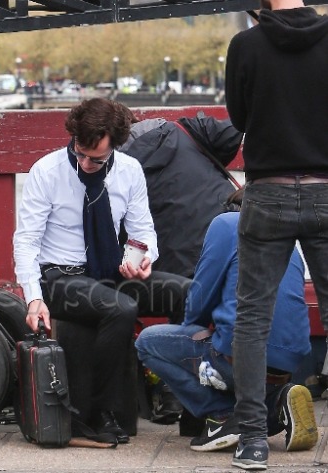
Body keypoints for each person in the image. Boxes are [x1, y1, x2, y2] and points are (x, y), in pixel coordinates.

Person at [13, 97, 189, 444]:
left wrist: (139, 257)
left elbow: (144, 233)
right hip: (62, 277)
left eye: (97, 159)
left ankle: (195, 409)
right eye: (79, 153)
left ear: (115, 147)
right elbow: (26, 242)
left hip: (111, 271)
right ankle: (91, 413)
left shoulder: (128, 170)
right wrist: (34, 298)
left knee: (186, 292)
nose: (85, 163)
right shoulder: (47, 172)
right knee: (119, 308)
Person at [135, 189, 318, 456]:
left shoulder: (227, 224)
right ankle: (278, 401)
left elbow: (200, 295)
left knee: (148, 342)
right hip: (287, 365)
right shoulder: (287, 238)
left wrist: (191, 328)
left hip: (240, 358)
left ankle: (221, 415)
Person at [225, 0, 328, 468]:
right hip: (327, 190)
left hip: (268, 192)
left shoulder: (245, 45)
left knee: (251, 320)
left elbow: (239, 119)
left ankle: (252, 441)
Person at [119, 110, 243, 278]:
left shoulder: (111, 173)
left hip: (175, 272)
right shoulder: (182, 130)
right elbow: (233, 131)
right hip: (231, 239)